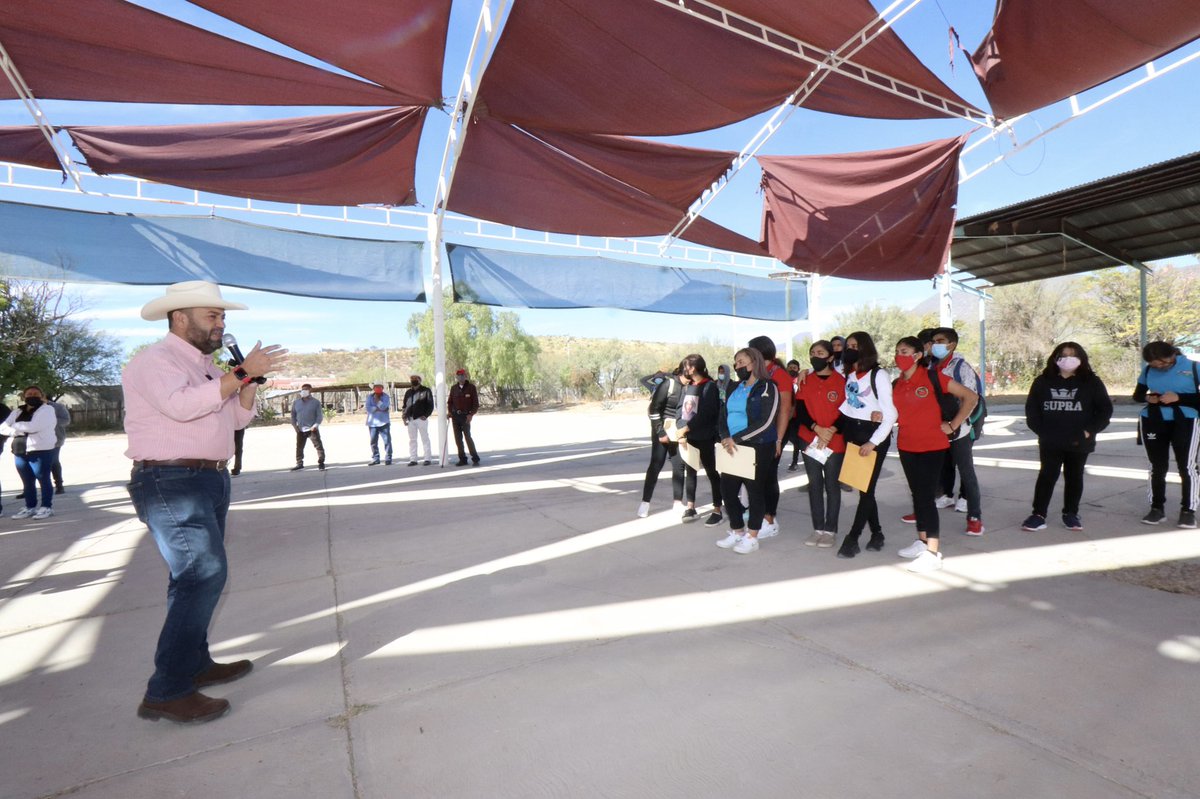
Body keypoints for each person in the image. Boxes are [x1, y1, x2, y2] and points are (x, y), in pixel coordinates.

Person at [122, 280, 286, 723]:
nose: (221, 324)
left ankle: (194, 664)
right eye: (211, 316)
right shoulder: (155, 362)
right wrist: (239, 374)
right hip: (170, 478)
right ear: (179, 317)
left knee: (190, 578)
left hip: (207, 479)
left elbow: (237, 416)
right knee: (204, 574)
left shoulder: (210, 368)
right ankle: (166, 690)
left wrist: (247, 379)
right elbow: (181, 407)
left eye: (222, 317)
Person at [891, 337, 978, 574]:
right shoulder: (897, 383)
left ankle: (932, 552)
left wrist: (953, 425)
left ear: (918, 355)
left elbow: (971, 397)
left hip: (931, 446)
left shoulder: (932, 377)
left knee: (926, 498)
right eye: (897, 351)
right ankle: (921, 542)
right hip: (906, 445)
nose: (899, 355)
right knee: (917, 496)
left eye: (905, 351)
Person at [1022, 342, 1113, 532]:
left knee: (1074, 476)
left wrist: (1090, 431)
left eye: (1073, 355)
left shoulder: (1091, 382)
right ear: (1055, 358)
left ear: (1081, 359)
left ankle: (1071, 513)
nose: (1068, 359)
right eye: (1063, 355)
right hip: (1050, 440)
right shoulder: (1042, 381)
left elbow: (1105, 410)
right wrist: (1042, 430)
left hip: (1079, 440)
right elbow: (1032, 409)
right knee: (1047, 475)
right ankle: (1038, 514)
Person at [833, 331, 898, 559]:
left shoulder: (878, 374)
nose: (850, 348)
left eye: (855, 345)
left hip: (873, 438)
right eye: (848, 345)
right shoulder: (850, 373)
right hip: (853, 433)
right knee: (864, 489)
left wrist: (873, 442)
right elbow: (848, 407)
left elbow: (890, 414)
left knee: (867, 489)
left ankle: (852, 538)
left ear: (866, 348)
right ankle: (877, 533)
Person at [920, 326, 986, 535]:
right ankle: (924, 510)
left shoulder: (961, 368)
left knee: (966, 472)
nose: (934, 345)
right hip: (935, 429)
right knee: (932, 470)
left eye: (939, 341)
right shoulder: (929, 368)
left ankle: (974, 517)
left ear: (952, 344)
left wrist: (954, 425)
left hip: (958, 429)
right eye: (933, 341)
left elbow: (972, 399)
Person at [715, 347, 780, 554]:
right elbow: (722, 414)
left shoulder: (768, 387)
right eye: (736, 362)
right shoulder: (735, 387)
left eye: (742, 361)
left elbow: (766, 421)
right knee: (727, 490)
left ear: (755, 362)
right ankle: (737, 531)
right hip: (731, 445)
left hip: (757, 446)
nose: (737, 366)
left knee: (755, 491)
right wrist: (725, 436)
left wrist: (737, 438)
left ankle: (752, 536)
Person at [1133, 341, 1199, 528]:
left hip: (1185, 421)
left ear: (1172, 355)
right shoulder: (1148, 371)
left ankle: (1188, 510)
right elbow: (1137, 395)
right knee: (1156, 466)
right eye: (1155, 365)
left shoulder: (1194, 368)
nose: (1159, 367)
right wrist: (1148, 397)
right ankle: (1156, 508)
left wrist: (1179, 398)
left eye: (1163, 363)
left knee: (1187, 467)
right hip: (1154, 419)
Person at [794, 341, 847, 548]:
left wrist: (830, 431)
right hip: (810, 439)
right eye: (813, 353)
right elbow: (801, 409)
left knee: (832, 486)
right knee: (814, 484)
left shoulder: (841, 381)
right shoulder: (806, 380)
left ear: (830, 357)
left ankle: (830, 530)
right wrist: (817, 429)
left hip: (834, 441)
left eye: (821, 352)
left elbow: (846, 410)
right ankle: (818, 528)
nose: (816, 356)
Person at [747, 335, 794, 539]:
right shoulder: (759, 373)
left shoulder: (780, 375)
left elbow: (785, 410)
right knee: (758, 476)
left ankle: (769, 518)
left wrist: (778, 439)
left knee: (769, 476)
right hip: (757, 433)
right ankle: (759, 512)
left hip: (773, 433)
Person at [676, 354, 724, 526]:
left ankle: (717, 508)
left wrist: (686, 428)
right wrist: (681, 429)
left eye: (686, 366)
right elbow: (680, 410)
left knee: (712, 472)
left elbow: (707, 413)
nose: (684, 370)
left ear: (694, 368)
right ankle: (691, 506)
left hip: (705, 436)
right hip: (689, 437)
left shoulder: (709, 387)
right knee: (691, 471)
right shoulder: (687, 387)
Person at [1, 385, 58, 519]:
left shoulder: (47, 410)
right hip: (20, 450)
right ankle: (30, 507)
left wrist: (14, 427)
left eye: (35, 394)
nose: (32, 396)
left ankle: (46, 507)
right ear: (24, 396)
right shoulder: (17, 411)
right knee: (27, 481)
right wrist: (17, 430)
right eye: (29, 394)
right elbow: (2, 427)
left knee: (43, 479)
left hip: (40, 450)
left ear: (41, 396)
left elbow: (35, 427)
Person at [638, 362, 685, 518]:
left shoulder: (689, 387)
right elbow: (653, 410)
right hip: (662, 430)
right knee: (656, 464)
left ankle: (677, 502)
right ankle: (645, 502)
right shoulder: (666, 385)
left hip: (678, 432)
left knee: (678, 466)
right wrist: (660, 432)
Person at [449, 368, 480, 466]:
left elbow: (475, 403)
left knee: (467, 437)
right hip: (455, 417)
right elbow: (450, 402)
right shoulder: (454, 388)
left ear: (465, 376)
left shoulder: (471, 387)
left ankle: (475, 458)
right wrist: (450, 412)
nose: (460, 377)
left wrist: (471, 414)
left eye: (462, 375)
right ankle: (462, 459)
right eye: (458, 375)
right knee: (458, 439)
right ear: (456, 377)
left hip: (466, 416)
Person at [290, 384, 325, 471]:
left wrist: (315, 425)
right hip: (300, 429)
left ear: (310, 390)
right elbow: (293, 415)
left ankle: (321, 463)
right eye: (302, 389)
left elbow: (319, 416)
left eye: (306, 389)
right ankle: (299, 463)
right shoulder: (296, 402)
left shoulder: (315, 402)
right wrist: (295, 426)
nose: (304, 391)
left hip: (312, 429)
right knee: (299, 447)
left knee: (318, 446)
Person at [402, 374, 434, 466]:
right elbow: (405, 406)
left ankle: (427, 458)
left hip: (421, 419)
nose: (413, 380)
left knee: (425, 438)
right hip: (410, 419)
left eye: (415, 378)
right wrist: (404, 417)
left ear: (419, 380)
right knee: (412, 440)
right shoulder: (408, 392)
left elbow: (430, 405)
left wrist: (426, 415)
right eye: (411, 378)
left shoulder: (426, 390)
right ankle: (413, 459)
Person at [365, 383, 393, 466]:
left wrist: (378, 401)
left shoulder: (386, 397)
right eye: (376, 387)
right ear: (373, 388)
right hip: (372, 423)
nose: (377, 388)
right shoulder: (369, 397)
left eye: (379, 387)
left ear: (382, 388)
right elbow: (368, 408)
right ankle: (376, 458)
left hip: (384, 422)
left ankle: (388, 458)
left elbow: (385, 407)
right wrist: (378, 408)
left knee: (387, 441)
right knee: (373, 442)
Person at [784, 358, 804, 472]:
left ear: (798, 369)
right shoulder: (784, 381)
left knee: (797, 440)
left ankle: (795, 461)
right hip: (786, 415)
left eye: (794, 368)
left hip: (797, 416)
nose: (792, 369)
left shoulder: (800, 381)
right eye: (790, 367)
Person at [48, 397, 70, 494]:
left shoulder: (58, 407)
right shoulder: (30, 408)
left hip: (55, 439)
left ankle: (59, 485)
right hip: (35, 441)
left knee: (53, 461)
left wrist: (50, 420)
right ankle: (28, 488)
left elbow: (66, 420)